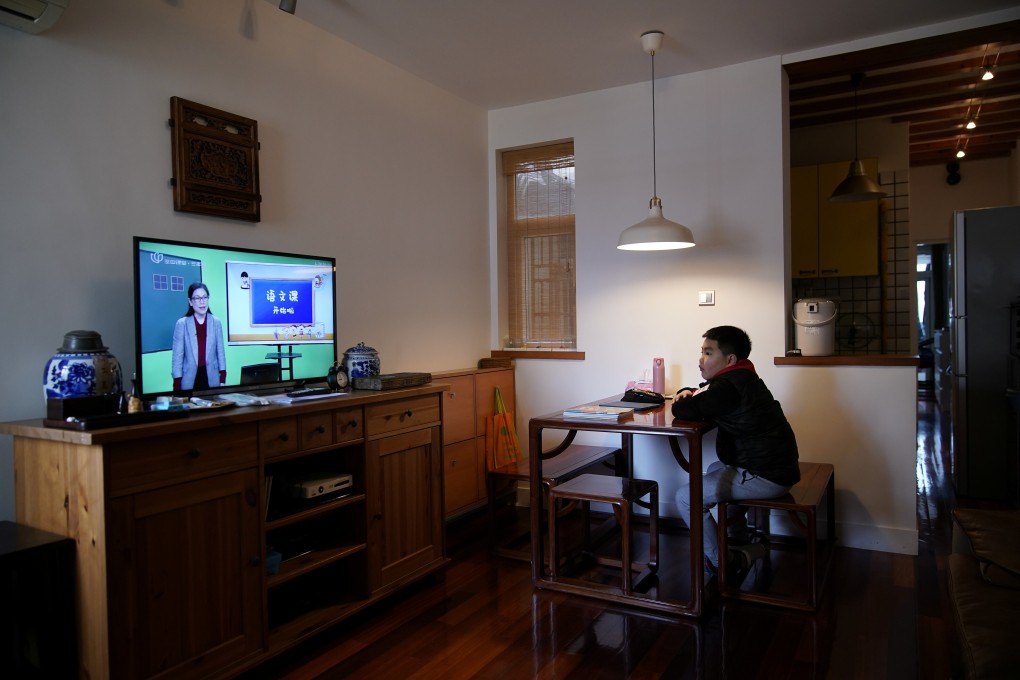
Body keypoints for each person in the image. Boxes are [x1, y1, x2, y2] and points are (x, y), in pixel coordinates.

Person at [671, 325, 800, 580]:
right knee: (715, 468)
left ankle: (724, 562)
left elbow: (682, 410)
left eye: (708, 353)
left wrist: (683, 398)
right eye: (702, 352)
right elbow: (702, 394)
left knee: (686, 498)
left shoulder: (727, 387)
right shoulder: (741, 377)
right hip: (775, 468)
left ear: (729, 359)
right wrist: (686, 392)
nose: (701, 360)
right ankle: (736, 540)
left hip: (766, 475)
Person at [172, 282, 227, 392]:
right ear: (190, 302)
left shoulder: (216, 322)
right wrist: (177, 383)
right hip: (189, 379)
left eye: (204, 297)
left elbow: (220, 351)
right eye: (197, 298)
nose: (202, 302)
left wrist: (222, 378)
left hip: (212, 378)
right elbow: (177, 356)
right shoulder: (182, 323)